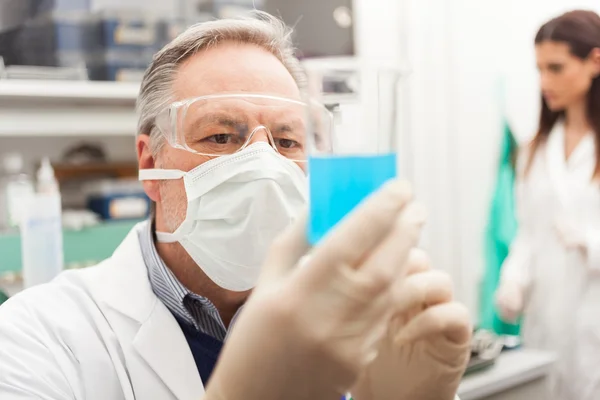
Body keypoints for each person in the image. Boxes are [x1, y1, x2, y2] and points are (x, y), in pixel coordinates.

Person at [0, 12, 471, 400]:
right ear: (150, 164)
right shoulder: (34, 340)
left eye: (287, 140)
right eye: (222, 136)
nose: (264, 166)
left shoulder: (352, 325)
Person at [496, 9, 600, 400]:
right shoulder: (536, 150)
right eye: (539, 69)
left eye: (556, 68)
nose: (544, 82)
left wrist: (591, 242)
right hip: (545, 322)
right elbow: (529, 232)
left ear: (595, 61)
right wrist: (514, 277)